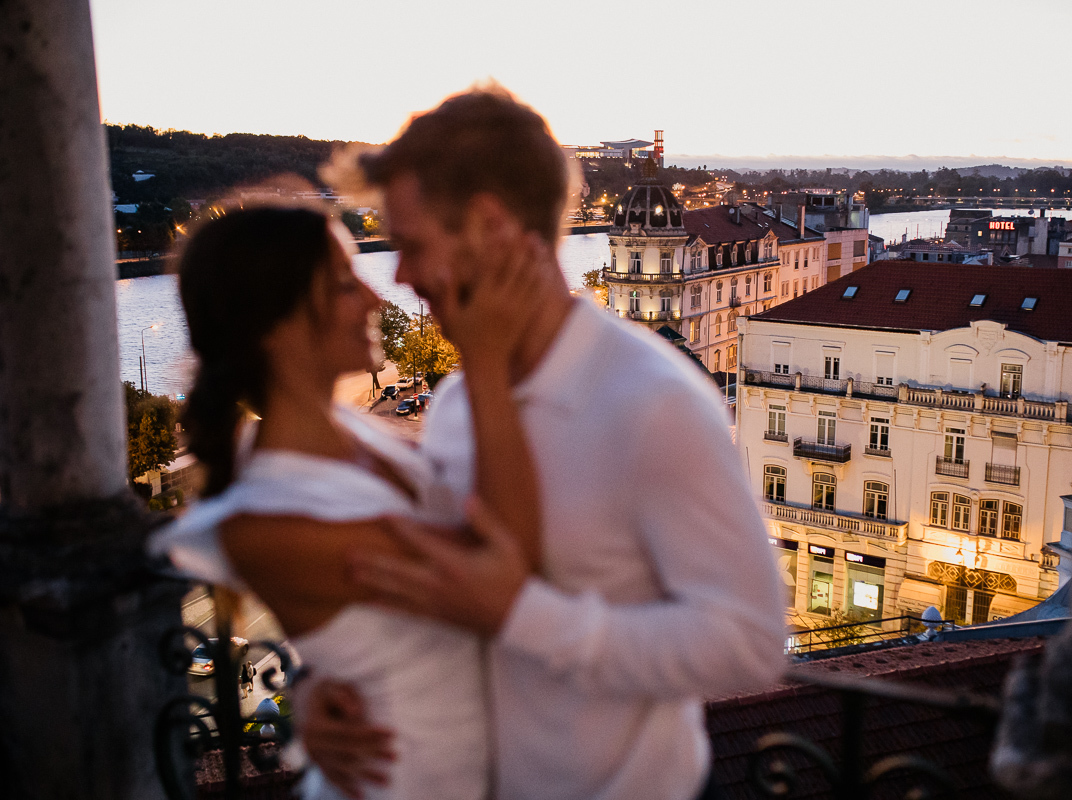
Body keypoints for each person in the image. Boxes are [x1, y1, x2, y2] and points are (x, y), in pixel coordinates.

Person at [305, 86, 786, 800]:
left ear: (491, 225)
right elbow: (449, 600)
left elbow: (747, 644)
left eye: (410, 245)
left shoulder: (654, 400)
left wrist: (529, 617)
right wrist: (334, 691)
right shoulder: (462, 402)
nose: (399, 278)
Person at [150, 202, 549, 799]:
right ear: (276, 325)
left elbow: (363, 630)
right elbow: (509, 569)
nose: (375, 299)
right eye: (343, 284)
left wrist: (310, 687)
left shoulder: (352, 429)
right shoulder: (264, 519)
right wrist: (487, 358)